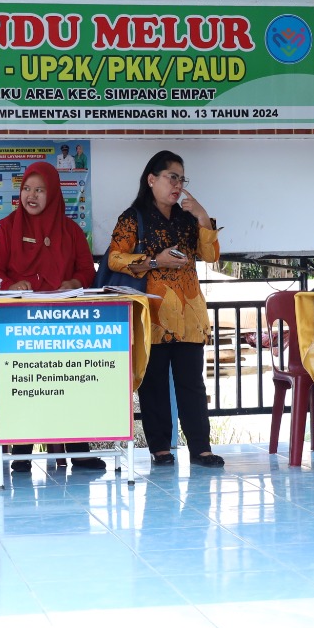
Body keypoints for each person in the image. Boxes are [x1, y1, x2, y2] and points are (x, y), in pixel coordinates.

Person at [0, 161, 104, 472]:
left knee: (71, 384)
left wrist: (74, 282)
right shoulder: (5, 228)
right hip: (20, 325)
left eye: (39, 190)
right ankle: (21, 451)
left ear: (54, 194)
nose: (31, 196)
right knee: (29, 384)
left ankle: (79, 450)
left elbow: (87, 271)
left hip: (64, 324)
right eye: (26, 189)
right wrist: (10, 286)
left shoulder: (71, 231)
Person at [106, 150, 224, 468]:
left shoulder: (187, 218)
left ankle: (200, 448)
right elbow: (115, 258)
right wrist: (155, 261)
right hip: (153, 315)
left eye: (182, 179)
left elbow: (211, 255)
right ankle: (160, 448)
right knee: (154, 383)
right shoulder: (134, 217)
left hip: (188, 315)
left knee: (192, 384)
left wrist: (202, 216)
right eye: (172, 177)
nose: (178, 185)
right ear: (151, 179)